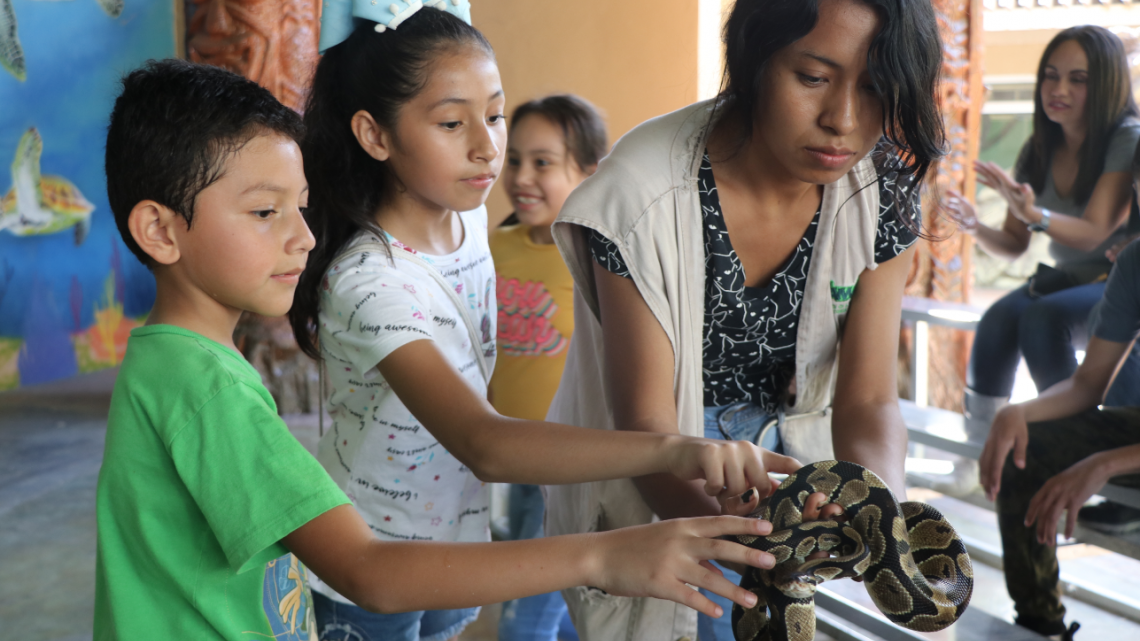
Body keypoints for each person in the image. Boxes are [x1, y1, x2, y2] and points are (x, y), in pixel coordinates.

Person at [94, 57, 789, 640]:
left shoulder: (176, 363)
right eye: (264, 212)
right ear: (160, 231)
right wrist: (603, 555)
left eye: (300, 207)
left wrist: (673, 453)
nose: (303, 236)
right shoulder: (208, 388)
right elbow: (367, 571)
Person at [287, 3, 801, 640]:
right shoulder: (369, 282)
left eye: (494, 114)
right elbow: (485, 443)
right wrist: (679, 447)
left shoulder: (467, 220)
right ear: (374, 135)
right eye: (451, 122)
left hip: (456, 543)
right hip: (371, 562)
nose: (487, 147)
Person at [542, 0, 946, 639]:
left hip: (788, 454)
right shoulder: (638, 196)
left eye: (875, 88)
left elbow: (868, 399)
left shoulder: (882, 186)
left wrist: (882, 516)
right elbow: (647, 432)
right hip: (667, 454)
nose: (843, 119)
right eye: (812, 77)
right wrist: (759, 545)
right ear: (755, 60)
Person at [947, 27, 1140, 487]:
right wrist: (976, 228)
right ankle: (981, 456)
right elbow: (1014, 243)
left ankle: (1072, 445)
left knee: (1043, 318)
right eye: (1051, 76)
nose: (1059, 89)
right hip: (1069, 278)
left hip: (1115, 279)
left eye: (1078, 79)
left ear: (1108, 84)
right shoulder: (1040, 143)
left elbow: (1094, 231)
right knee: (997, 319)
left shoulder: (1126, 138)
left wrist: (1034, 215)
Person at [979, 231, 1140, 640]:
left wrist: (1106, 463)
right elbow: (1087, 384)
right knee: (1027, 443)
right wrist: (1018, 412)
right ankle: (1041, 623)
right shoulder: (1135, 262)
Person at [489, 95, 607, 641]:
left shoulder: (596, 260)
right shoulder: (494, 247)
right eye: (514, 160)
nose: (521, 177)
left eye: (542, 162)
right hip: (508, 455)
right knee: (558, 614)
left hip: (567, 469)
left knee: (526, 620)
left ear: (589, 172)